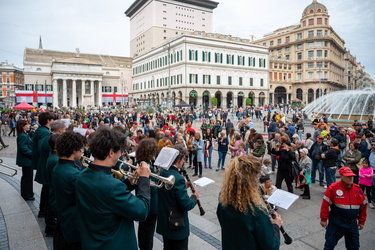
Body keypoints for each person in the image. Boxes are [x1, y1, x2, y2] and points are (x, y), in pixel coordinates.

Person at [76, 128, 151, 249]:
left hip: (92, 241)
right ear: (111, 152)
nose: (121, 155)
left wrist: (130, 182)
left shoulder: (82, 176)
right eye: (120, 151)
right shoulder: (113, 186)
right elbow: (141, 211)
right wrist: (144, 179)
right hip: (114, 243)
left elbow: (104, 197)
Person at [217, 155, 282, 250]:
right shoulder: (256, 212)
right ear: (251, 180)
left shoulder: (223, 204)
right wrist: (276, 225)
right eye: (257, 178)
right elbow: (271, 246)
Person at [156, 145, 199, 250]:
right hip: (176, 224)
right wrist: (194, 197)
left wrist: (183, 187)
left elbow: (169, 192)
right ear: (178, 159)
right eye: (183, 158)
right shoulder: (178, 178)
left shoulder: (163, 172)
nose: (184, 161)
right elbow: (186, 205)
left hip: (165, 222)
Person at [52, 131, 87, 249]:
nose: (82, 151)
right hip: (74, 224)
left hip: (64, 219)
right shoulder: (72, 174)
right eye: (80, 148)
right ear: (73, 150)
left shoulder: (59, 167)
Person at [320, 167, 367, 250]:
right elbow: (325, 204)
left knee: (354, 246)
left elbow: (363, 205)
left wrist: (362, 221)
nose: (351, 178)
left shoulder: (357, 189)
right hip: (337, 223)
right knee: (329, 245)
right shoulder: (333, 188)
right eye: (348, 176)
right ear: (341, 176)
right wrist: (324, 218)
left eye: (352, 176)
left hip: (352, 224)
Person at [135, 138, 159, 250]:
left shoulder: (139, 162)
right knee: (148, 234)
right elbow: (153, 189)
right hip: (151, 205)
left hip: (142, 201)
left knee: (143, 230)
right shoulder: (147, 167)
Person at [31, 112, 54, 218]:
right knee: (46, 189)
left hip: (41, 162)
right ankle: (43, 210)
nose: (53, 121)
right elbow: (42, 147)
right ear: (48, 120)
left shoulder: (40, 130)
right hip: (44, 163)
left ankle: (42, 210)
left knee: (45, 188)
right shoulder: (44, 132)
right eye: (52, 119)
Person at [16, 120, 34, 200]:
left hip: (27, 160)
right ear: (23, 126)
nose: (29, 125)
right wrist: (31, 153)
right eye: (27, 124)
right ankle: (27, 194)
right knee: (27, 178)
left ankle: (27, 193)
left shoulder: (24, 134)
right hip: (26, 160)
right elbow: (23, 148)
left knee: (27, 177)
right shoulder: (22, 136)